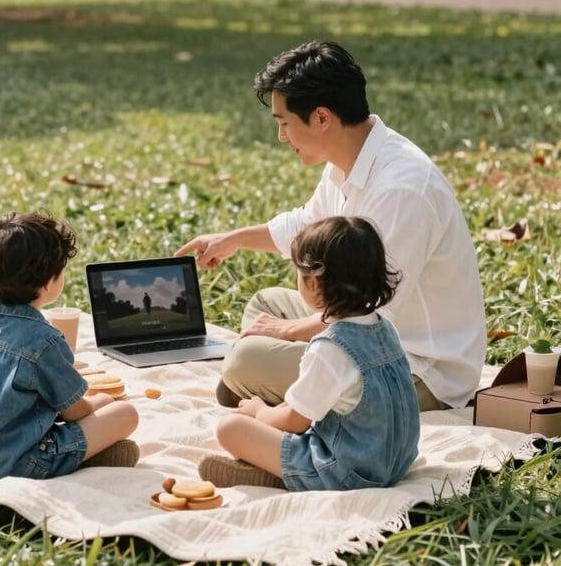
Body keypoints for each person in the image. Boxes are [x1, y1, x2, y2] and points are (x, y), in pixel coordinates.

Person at [176, 40, 486, 413]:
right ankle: (289, 384)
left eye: (284, 123)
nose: (281, 137)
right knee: (266, 305)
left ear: (322, 117)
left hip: (416, 370)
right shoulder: (346, 159)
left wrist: (290, 332)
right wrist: (233, 240)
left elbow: (372, 308)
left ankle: (279, 395)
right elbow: (308, 225)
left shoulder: (402, 189)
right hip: (368, 333)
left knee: (246, 362)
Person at [199, 216, 420, 490]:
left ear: (314, 283)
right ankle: (281, 467)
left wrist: (258, 412)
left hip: (348, 472)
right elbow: (305, 406)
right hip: (396, 462)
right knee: (264, 417)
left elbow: (295, 421)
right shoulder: (384, 328)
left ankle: (286, 476)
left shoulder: (331, 347)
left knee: (230, 427)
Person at [0, 211, 139, 481]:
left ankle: (91, 451)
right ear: (48, 284)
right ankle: (80, 457)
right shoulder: (45, 341)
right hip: (19, 463)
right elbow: (74, 411)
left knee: (101, 405)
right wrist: (98, 405)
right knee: (124, 412)